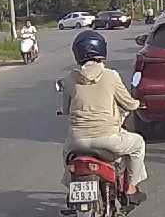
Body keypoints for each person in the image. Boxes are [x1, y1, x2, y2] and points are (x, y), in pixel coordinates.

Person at [59, 30, 148, 203]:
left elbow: (66, 109)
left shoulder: (69, 79)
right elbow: (128, 103)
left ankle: (71, 188)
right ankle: (131, 188)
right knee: (138, 144)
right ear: (102, 50)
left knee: (66, 156)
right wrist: (138, 104)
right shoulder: (111, 76)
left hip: (76, 141)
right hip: (108, 140)